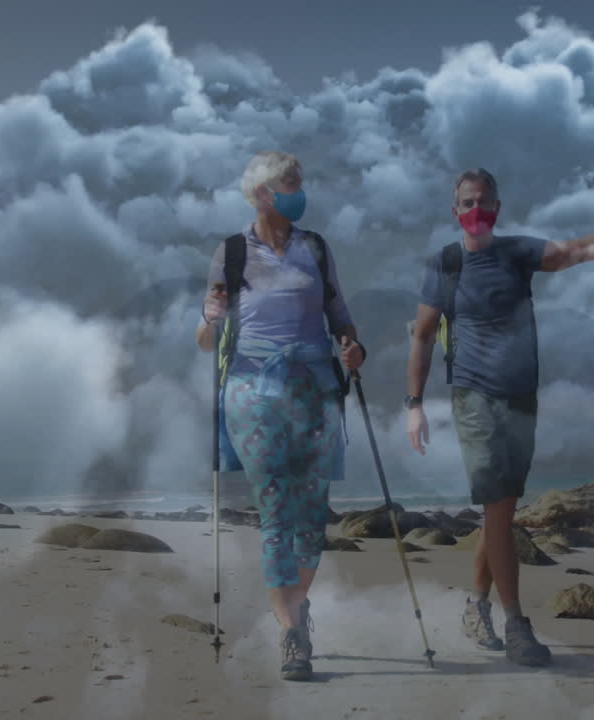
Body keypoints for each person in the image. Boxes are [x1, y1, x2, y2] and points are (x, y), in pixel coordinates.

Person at [404, 168, 594, 666]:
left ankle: (476, 606)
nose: (476, 209)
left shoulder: (516, 254)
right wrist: (413, 405)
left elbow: (579, 250)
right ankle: (516, 623)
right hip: (474, 400)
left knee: (502, 514)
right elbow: (424, 335)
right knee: (496, 507)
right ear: (455, 211)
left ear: (497, 206)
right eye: (467, 202)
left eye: (484, 201)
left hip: (520, 400)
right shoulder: (445, 265)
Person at [196, 150, 365, 682]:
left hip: (315, 388)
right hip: (253, 391)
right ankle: (292, 632)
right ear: (265, 193)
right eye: (293, 182)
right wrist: (210, 319)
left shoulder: (315, 247)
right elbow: (207, 339)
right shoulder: (231, 253)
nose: (301, 190)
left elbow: (338, 314)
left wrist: (351, 345)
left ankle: (295, 604)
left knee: (312, 517)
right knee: (275, 512)